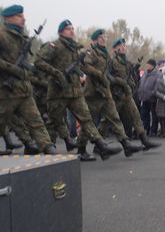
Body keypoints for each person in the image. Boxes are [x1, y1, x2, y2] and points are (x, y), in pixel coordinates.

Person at [35, 20, 121, 160]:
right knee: (53, 121)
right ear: (61, 32)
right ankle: (48, 152)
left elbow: (79, 66)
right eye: (68, 29)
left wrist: (81, 75)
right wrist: (56, 73)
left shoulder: (74, 48)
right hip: (58, 91)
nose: (72, 31)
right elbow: (38, 61)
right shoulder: (54, 46)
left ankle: (100, 145)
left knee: (86, 119)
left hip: (75, 91)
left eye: (73, 28)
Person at [0, 5, 57, 155]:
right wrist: (14, 69)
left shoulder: (21, 37)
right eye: (19, 16)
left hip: (24, 90)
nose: (23, 18)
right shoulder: (2, 35)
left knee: (36, 121)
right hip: (6, 91)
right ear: (8, 18)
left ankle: (47, 147)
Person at [79, 29, 144, 157]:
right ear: (95, 40)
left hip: (105, 91)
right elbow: (84, 66)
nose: (104, 39)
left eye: (105, 37)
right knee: (89, 121)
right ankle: (81, 148)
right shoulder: (92, 53)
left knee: (114, 118)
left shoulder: (106, 55)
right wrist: (99, 74)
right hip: (93, 93)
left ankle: (126, 144)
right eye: (101, 38)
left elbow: (108, 73)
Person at [105, 37, 161, 151]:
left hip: (127, 94)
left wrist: (132, 82)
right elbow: (107, 77)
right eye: (121, 46)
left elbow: (132, 77)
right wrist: (119, 82)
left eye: (124, 45)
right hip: (116, 95)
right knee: (108, 119)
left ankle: (144, 139)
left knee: (136, 116)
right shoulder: (112, 61)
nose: (123, 47)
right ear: (115, 49)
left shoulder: (126, 62)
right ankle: (98, 143)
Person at [138, 59, 160, 136]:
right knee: (144, 115)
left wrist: (152, 93)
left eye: (149, 65)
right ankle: (146, 129)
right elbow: (141, 83)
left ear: (153, 66)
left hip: (152, 99)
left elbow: (157, 86)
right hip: (143, 97)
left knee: (154, 115)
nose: (147, 66)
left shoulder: (157, 74)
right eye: (147, 65)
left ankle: (153, 130)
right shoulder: (145, 73)